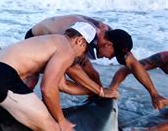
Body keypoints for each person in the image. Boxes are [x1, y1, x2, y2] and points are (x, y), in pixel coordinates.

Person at [26, 15, 166, 109]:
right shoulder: (83, 34)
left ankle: (94, 100)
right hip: (38, 38)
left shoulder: (111, 35)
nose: (111, 58)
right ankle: (36, 109)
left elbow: (133, 64)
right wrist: (100, 91)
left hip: (65, 44)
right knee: (58, 83)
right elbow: (72, 69)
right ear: (108, 45)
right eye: (113, 55)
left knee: (94, 75)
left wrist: (154, 94)